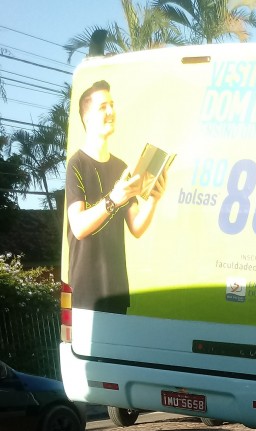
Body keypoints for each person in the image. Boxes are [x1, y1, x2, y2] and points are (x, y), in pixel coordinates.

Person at [66, 80, 166, 314]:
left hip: (117, 288)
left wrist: (153, 200)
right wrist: (113, 199)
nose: (111, 112)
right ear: (87, 117)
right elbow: (79, 227)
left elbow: (137, 228)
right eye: (103, 107)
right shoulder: (76, 164)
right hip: (86, 292)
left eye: (112, 105)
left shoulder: (121, 167)